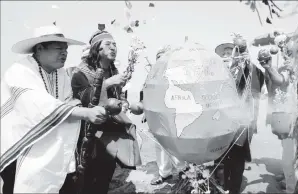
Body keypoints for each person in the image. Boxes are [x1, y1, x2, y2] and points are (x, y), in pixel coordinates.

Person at [0, 25, 108, 193]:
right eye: (59, 48)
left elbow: (68, 101)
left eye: (66, 49)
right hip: (20, 147)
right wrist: (85, 113)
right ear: (40, 48)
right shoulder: (19, 71)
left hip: (46, 148)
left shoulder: (60, 74)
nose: (64, 53)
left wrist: (85, 109)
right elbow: (37, 105)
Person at [65, 29, 142, 194]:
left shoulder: (114, 71)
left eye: (115, 44)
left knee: (104, 178)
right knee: (85, 180)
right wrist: (106, 83)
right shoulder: (81, 72)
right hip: (88, 136)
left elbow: (120, 96)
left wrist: (125, 104)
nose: (113, 47)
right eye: (108, 44)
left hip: (110, 135)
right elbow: (83, 101)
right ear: (96, 49)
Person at [214, 35, 264, 194]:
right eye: (225, 52)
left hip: (241, 120)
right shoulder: (217, 71)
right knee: (222, 156)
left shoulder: (245, 68)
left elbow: (257, 79)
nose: (228, 54)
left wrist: (246, 58)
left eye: (231, 51)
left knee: (236, 157)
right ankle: (224, 185)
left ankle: (234, 188)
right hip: (221, 121)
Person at [258, 41, 298, 193]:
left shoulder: (291, 67)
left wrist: (268, 67)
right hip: (284, 115)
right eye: (283, 51)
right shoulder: (289, 66)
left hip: (290, 116)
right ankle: (290, 180)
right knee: (289, 152)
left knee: (289, 156)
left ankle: (291, 188)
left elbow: (281, 81)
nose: (283, 54)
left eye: (287, 51)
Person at [144, 45, 188, 185]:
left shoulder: (177, 74)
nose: (160, 61)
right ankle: (164, 174)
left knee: (175, 144)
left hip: (173, 115)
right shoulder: (151, 74)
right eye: (158, 58)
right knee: (160, 145)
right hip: (156, 115)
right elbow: (145, 93)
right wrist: (146, 111)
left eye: (163, 58)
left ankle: (183, 171)